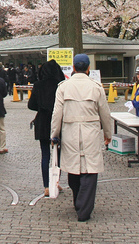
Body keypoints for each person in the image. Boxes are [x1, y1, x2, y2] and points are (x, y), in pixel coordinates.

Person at [50, 54, 111, 222]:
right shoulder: (96, 87)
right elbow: (105, 113)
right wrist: (108, 133)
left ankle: (78, 201)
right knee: (90, 169)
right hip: (91, 131)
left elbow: (57, 114)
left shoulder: (63, 87)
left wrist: (54, 134)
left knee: (73, 168)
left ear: (73, 67)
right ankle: (84, 208)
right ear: (89, 69)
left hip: (70, 130)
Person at [28, 60, 65, 197]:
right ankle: (56, 181)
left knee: (45, 155)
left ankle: (46, 186)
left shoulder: (38, 85)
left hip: (43, 121)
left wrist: (41, 106)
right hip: (58, 121)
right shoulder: (60, 85)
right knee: (58, 154)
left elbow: (31, 105)